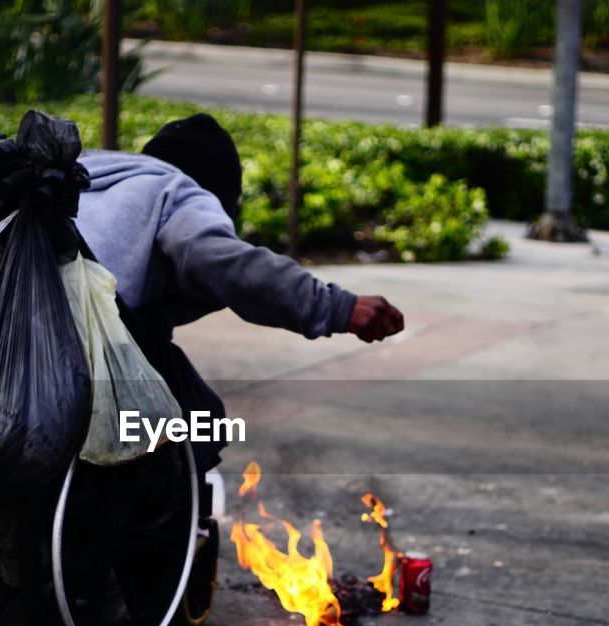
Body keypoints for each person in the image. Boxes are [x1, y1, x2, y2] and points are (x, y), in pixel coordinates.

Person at [73, 112, 405, 475]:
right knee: (203, 419)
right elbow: (224, 263)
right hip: (75, 356)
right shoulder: (176, 191)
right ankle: (160, 523)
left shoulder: (79, 176)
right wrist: (338, 307)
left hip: (15, 340)